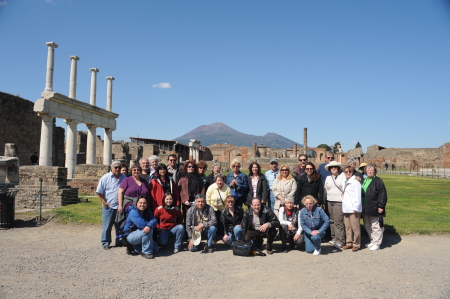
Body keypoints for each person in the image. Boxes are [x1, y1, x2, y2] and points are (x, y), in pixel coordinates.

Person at [96, 160, 127, 250]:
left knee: (119, 226)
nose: (117, 169)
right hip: (109, 206)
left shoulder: (124, 178)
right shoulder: (105, 178)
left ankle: (119, 241)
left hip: (120, 206)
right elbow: (99, 191)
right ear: (111, 168)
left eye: (119, 167)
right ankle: (105, 242)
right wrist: (104, 202)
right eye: (116, 167)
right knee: (107, 226)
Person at [362, 165, 388, 251]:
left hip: (374, 206)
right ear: (365, 171)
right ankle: (372, 240)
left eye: (371, 170)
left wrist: (381, 205)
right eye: (368, 169)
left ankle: (377, 243)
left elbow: (382, 194)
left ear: (374, 171)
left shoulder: (378, 180)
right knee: (367, 225)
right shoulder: (364, 180)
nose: (370, 171)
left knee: (376, 225)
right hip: (365, 206)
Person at [324, 161, 346, 249]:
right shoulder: (328, 177)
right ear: (329, 169)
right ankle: (334, 238)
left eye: (335, 167)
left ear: (338, 168)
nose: (333, 168)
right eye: (332, 167)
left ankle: (340, 240)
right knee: (332, 220)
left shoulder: (343, 176)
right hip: (330, 200)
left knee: (338, 221)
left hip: (339, 201)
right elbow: (326, 189)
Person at [341, 166, 362, 252]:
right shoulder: (344, 181)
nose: (348, 173)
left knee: (355, 227)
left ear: (352, 172)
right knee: (348, 227)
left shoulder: (355, 182)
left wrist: (356, 207)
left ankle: (356, 243)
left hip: (353, 208)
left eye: (349, 172)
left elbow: (357, 195)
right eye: (346, 172)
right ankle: (349, 242)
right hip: (346, 207)